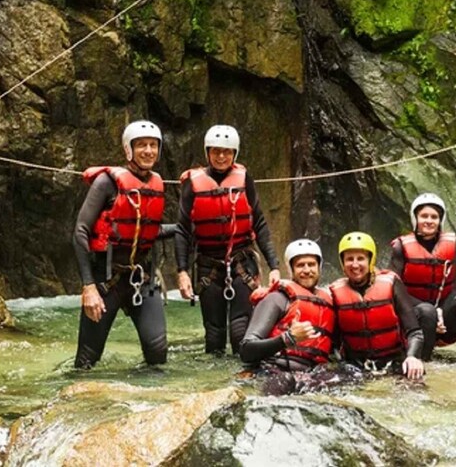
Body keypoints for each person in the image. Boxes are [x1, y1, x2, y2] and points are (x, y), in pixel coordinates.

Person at [72, 120, 174, 369]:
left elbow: (150, 230)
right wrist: (89, 287)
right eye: (141, 145)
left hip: (141, 278)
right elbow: (80, 232)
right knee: (87, 359)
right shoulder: (106, 183)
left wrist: (185, 229)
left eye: (153, 145)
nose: (148, 151)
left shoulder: (155, 184)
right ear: (129, 150)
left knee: (158, 353)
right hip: (106, 280)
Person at [175, 125, 281, 355]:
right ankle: (215, 385)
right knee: (214, 335)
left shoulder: (244, 180)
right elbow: (182, 230)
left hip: (242, 264)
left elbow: (259, 223)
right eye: (215, 151)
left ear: (235, 153)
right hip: (208, 267)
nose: (221, 156)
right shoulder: (192, 184)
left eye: (227, 151)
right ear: (207, 152)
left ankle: (242, 382)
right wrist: (182, 271)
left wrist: (274, 265)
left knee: (240, 332)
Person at [389, 193, 456, 362]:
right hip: (413, 315)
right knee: (427, 311)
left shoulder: (452, 244)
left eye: (434, 217)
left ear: (440, 220)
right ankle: (422, 362)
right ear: (415, 218)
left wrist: (440, 311)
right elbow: (393, 288)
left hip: (442, 314)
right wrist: (429, 310)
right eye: (424, 216)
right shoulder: (400, 247)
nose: (429, 221)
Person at [329, 232, 424, 379]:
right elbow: (333, 341)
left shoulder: (391, 284)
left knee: (415, 383)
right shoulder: (334, 292)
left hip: (394, 361)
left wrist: (412, 356)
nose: (355, 265)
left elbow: (415, 332)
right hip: (356, 366)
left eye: (361, 258)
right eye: (349, 259)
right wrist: (341, 363)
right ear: (342, 262)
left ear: (370, 260)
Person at [240, 239, 335, 372]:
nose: (307, 270)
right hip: (277, 370)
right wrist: (287, 339)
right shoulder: (276, 298)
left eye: (312, 264)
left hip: (314, 374)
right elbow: (246, 350)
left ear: (319, 267)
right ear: (291, 269)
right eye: (300, 265)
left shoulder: (328, 303)